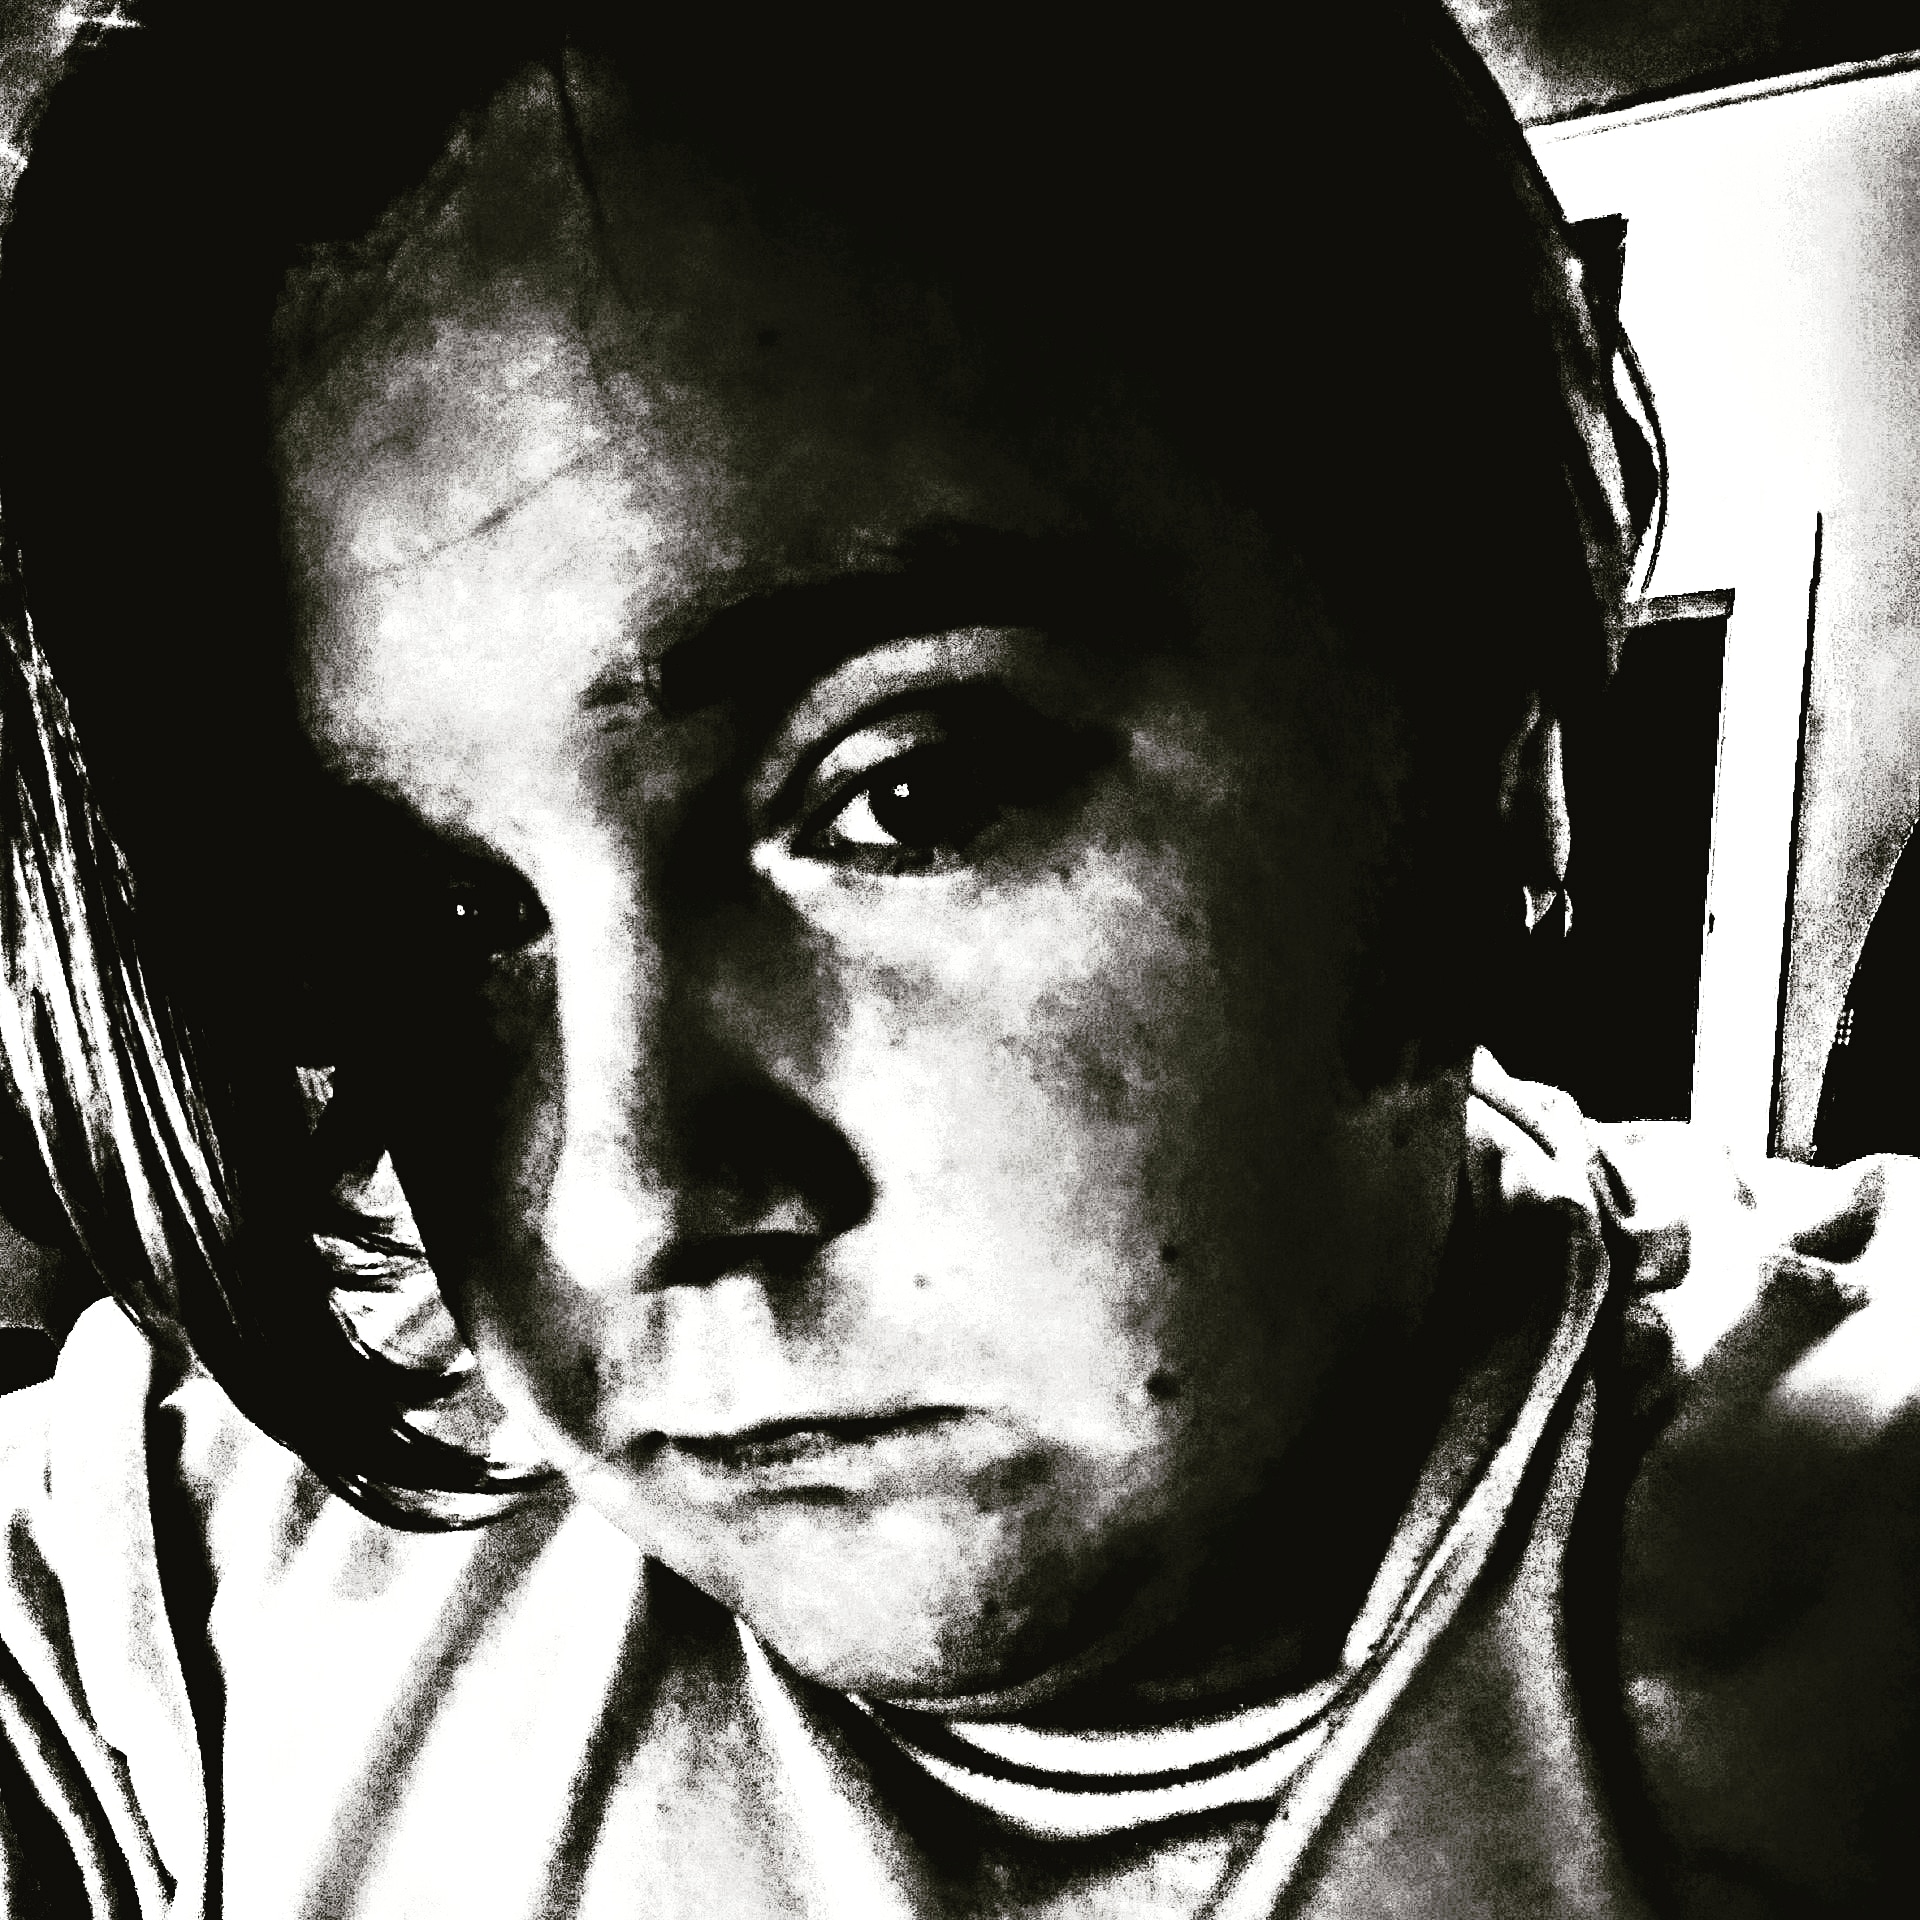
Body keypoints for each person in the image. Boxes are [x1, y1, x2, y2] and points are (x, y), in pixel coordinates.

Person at [0, 3, 1915, 1914]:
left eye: (902, 795)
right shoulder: (196, 1600)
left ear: (1497, 747)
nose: (623, 1202)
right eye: (439, 918)